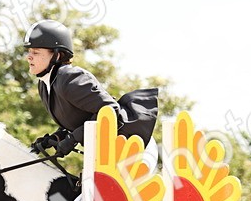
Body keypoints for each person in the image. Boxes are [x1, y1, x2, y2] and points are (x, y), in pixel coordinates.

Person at [23, 20, 159, 161]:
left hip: (135, 146)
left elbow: (109, 109)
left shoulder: (68, 77)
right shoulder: (45, 85)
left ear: (57, 55)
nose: (29, 56)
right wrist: (56, 137)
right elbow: (78, 120)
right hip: (107, 153)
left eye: (36, 52)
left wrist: (74, 138)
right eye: (29, 51)